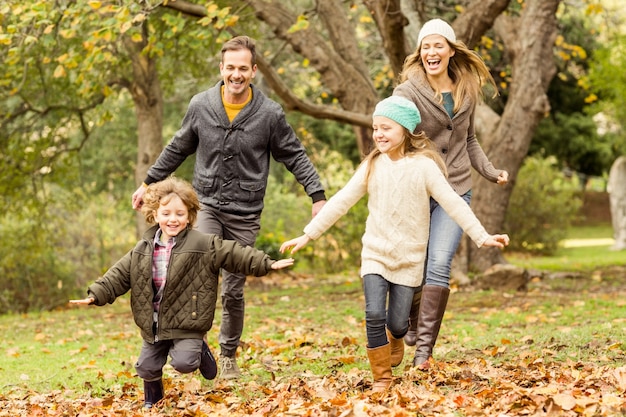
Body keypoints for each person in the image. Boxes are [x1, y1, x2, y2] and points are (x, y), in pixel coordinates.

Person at [279, 96, 509, 395]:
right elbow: (341, 202)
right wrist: (308, 234)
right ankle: (382, 379)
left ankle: (397, 336)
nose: (379, 134)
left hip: (410, 260)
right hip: (375, 254)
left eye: (386, 127)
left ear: (405, 130)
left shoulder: (425, 168)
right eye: (376, 128)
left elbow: (453, 203)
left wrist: (482, 236)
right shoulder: (372, 165)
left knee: (398, 324)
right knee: (374, 314)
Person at [130, 36, 326, 379]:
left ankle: (228, 352)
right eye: (230, 68)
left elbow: (293, 154)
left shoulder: (269, 114)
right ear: (222, 69)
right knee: (194, 272)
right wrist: (149, 182)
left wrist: (317, 195)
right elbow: (179, 146)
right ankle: (193, 341)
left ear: (254, 71)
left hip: (245, 212)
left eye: (243, 68)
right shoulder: (201, 105)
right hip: (205, 205)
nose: (236, 74)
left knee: (234, 287)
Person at [71, 177, 294, 409]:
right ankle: (153, 398)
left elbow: (234, 253)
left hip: (189, 321)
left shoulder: (203, 244)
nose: (172, 219)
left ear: (189, 216)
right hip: (154, 323)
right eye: (166, 213)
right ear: (155, 215)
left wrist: (267, 263)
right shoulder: (143, 248)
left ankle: (199, 349)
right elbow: (117, 275)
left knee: (184, 363)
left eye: (179, 213)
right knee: (146, 366)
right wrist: (95, 294)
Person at [393, 18, 510, 370]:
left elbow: (469, 139)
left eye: (438, 45)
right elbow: (397, 140)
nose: (432, 52)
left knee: (440, 264)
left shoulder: (467, 88)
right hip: (418, 190)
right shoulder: (406, 93)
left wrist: (490, 172)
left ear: (450, 50)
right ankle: (411, 319)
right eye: (425, 46)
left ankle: (423, 353)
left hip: (456, 189)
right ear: (420, 53)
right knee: (413, 265)